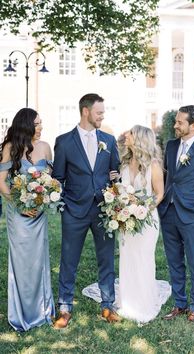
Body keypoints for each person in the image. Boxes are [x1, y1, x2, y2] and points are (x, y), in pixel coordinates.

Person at [83, 125, 171, 323]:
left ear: (138, 138)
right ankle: (128, 298)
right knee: (127, 256)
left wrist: (143, 210)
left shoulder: (153, 165)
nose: (125, 134)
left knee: (143, 257)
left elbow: (159, 194)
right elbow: (121, 189)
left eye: (130, 133)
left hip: (146, 220)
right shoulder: (123, 163)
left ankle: (143, 301)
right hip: (125, 218)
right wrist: (121, 203)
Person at [52, 93, 120, 329]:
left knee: (106, 259)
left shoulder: (109, 141)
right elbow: (57, 178)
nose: (103, 116)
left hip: (103, 210)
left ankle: (108, 305)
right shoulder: (64, 142)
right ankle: (64, 307)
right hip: (74, 209)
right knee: (69, 259)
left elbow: (115, 173)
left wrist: (115, 184)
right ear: (86, 111)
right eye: (99, 112)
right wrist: (64, 204)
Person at [158, 105, 194, 322]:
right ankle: (180, 303)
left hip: (191, 215)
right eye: (175, 120)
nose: (175, 125)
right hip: (168, 212)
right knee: (174, 262)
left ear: (193, 125)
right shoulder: (171, 146)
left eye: (179, 122)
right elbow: (168, 177)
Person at [0, 108, 55, 331]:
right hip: (17, 214)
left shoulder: (45, 147)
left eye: (41, 123)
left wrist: (42, 198)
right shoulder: (10, 148)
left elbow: (50, 181)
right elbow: (1, 182)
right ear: (25, 125)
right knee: (21, 263)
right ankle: (21, 313)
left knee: (39, 260)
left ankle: (43, 310)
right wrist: (20, 204)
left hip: (38, 213)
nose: (41, 128)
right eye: (37, 124)